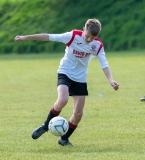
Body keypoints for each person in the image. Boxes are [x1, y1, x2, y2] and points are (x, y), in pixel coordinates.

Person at [14, 18, 119, 146]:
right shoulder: (72, 36)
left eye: (92, 37)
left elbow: (104, 64)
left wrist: (111, 80)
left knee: (78, 114)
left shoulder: (97, 45)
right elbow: (49, 37)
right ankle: (45, 126)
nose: (89, 40)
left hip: (80, 78)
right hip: (65, 72)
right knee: (63, 100)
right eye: (87, 36)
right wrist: (25, 38)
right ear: (83, 29)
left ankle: (64, 139)